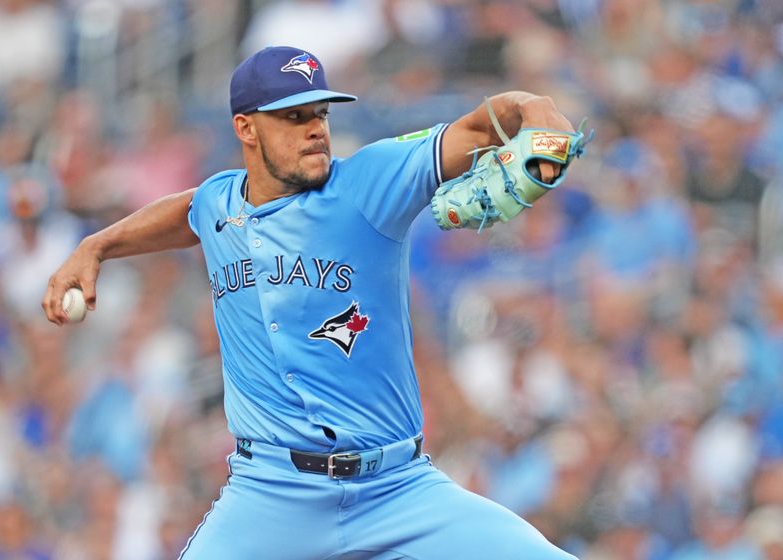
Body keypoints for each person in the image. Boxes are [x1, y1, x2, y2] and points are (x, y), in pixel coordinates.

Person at [43, 45, 578, 559]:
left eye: (319, 113)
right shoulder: (219, 202)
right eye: (294, 117)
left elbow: (481, 127)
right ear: (245, 127)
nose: (316, 128)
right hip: (271, 494)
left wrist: (535, 109)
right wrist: (98, 246)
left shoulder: (370, 184)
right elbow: (186, 212)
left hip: (396, 489)